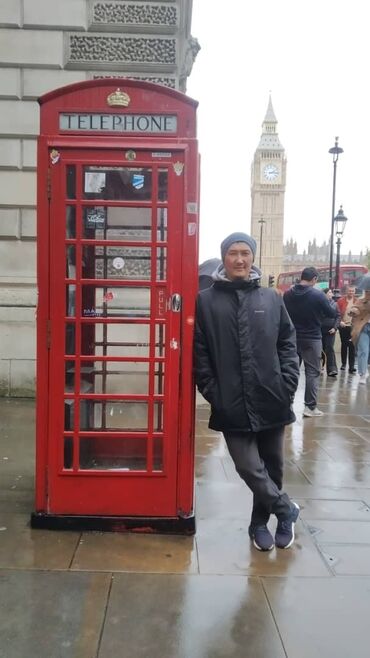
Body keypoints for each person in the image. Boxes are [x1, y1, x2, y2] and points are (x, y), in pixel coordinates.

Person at [194, 232, 300, 552]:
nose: (239, 259)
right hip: (231, 401)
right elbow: (200, 353)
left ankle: (259, 524)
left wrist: (288, 383)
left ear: (253, 257)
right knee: (248, 467)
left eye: (245, 253)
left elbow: (287, 343)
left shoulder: (271, 299)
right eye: (233, 253)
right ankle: (286, 510)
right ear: (223, 258)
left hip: (272, 396)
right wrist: (214, 391)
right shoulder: (206, 300)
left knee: (272, 466)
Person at [283, 267, 337, 417]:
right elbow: (331, 313)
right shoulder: (317, 295)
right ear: (314, 279)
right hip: (312, 337)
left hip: (292, 337)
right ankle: (310, 407)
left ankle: (287, 404)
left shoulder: (288, 294)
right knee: (312, 372)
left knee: (290, 371)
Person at [350, 280, 370, 384]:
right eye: (366, 291)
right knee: (363, 350)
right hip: (363, 328)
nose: (367, 293)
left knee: (368, 353)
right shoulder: (361, 300)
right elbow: (355, 308)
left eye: (369, 291)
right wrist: (354, 310)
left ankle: (366, 367)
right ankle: (362, 373)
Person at [337, 286, 357, 373]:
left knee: (352, 346)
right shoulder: (341, 301)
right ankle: (343, 364)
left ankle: (351, 366)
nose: (351, 292)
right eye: (350, 291)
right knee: (344, 345)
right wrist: (340, 322)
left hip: (353, 327)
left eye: (353, 291)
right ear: (346, 291)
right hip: (344, 326)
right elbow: (337, 313)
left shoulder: (357, 301)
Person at [321, 288, 341, 377]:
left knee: (329, 348)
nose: (331, 294)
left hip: (331, 330)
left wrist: (335, 328)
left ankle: (332, 369)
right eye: (329, 292)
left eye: (331, 292)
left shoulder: (335, 304)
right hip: (320, 330)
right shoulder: (320, 303)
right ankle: (320, 367)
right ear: (324, 294)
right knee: (320, 349)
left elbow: (338, 316)